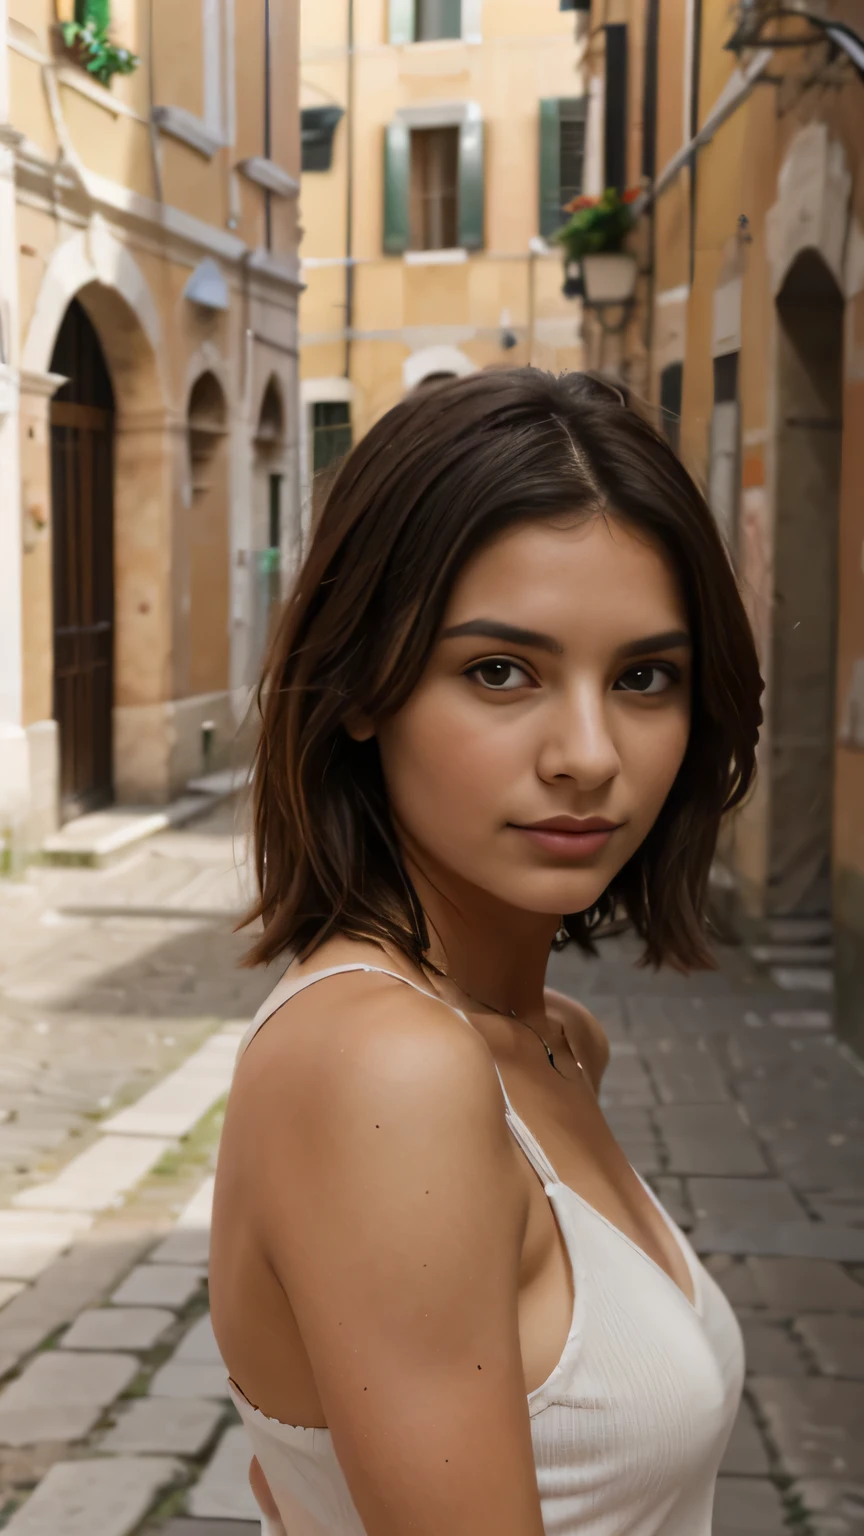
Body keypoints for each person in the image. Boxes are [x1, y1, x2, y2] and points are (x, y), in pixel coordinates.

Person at [209, 368, 763, 1536]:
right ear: (365, 684)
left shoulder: (556, 1043)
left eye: (644, 677)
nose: (587, 753)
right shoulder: (386, 1070)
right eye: (500, 671)